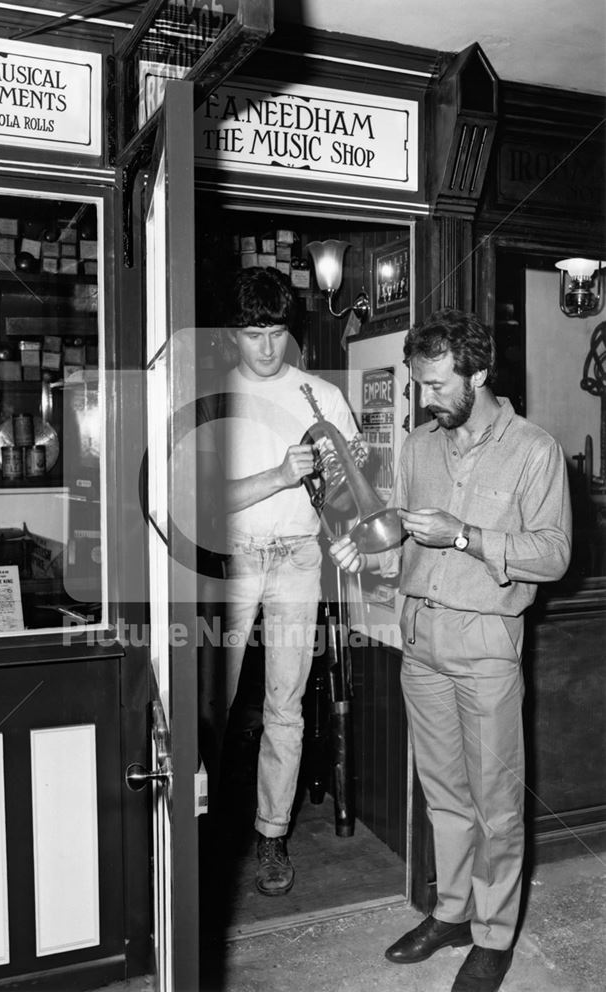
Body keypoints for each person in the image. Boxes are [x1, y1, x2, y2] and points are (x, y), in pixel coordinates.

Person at [330, 308, 571, 992]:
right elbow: (399, 529)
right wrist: (364, 540)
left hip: (487, 644)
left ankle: (495, 935)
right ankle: (454, 912)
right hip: (422, 642)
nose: (423, 397)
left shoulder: (534, 450)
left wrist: (464, 535)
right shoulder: (418, 445)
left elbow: (553, 555)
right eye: (417, 383)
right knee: (443, 795)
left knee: (496, 800)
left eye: (435, 384)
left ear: (480, 374)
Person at [198, 265, 359, 896]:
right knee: (212, 705)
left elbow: (352, 494)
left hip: (298, 558)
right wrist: (279, 475)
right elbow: (198, 505)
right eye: (253, 333)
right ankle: (202, 832)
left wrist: (342, 491)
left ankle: (271, 836)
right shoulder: (211, 399)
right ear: (232, 335)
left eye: (277, 333)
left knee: (284, 706)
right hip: (232, 558)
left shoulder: (322, 396)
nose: (267, 349)